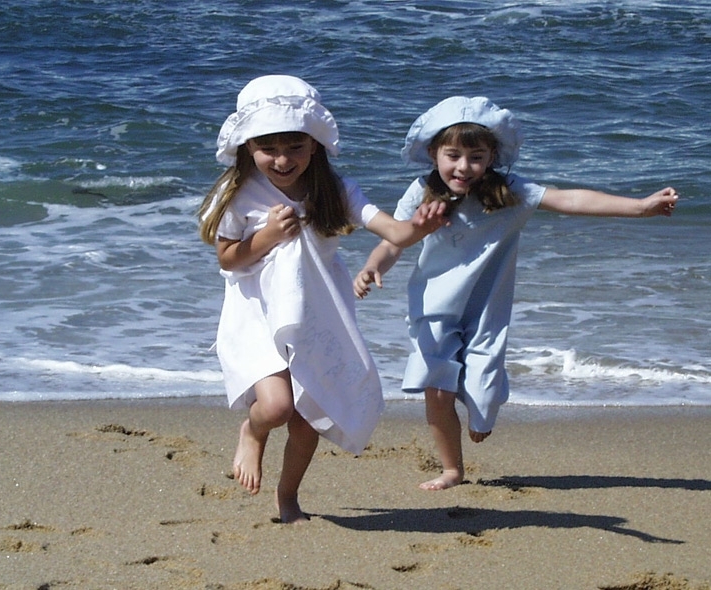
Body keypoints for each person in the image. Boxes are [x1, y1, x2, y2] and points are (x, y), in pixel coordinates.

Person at [353, 96, 679, 491]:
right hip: (433, 306)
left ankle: (481, 408)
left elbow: (568, 199)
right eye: (452, 154)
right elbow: (393, 242)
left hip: (486, 308)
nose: (463, 166)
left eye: (476, 156)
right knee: (436, 389)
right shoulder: (422, 192)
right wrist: (372, 267)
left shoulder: (508, 193)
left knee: (482, 396)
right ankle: (452, 469)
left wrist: (640, 207)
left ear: (492, 156)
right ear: (433, 153)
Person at [198, 75, 446, 522]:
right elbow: (229, 259)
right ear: (247, 146)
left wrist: (420, 227)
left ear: (315, 144)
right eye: (268, 147)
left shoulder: (336, 189)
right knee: (275, 407)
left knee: (307, 416)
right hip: (257, 313)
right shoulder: (236, 193)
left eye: (295, 145)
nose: (282, 159)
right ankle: (252, 433)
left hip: (318, 313)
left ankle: (288, 496)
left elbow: (393, 230)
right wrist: (270, 236)